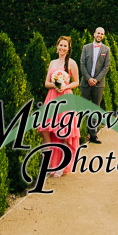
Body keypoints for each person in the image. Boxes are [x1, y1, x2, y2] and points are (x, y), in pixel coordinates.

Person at [38, 35, 80, 176]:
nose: (62, 48)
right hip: (51, 97)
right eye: (60, 45)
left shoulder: (72, 63)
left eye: (65, 46)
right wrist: (55, 85)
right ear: (57, 47)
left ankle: (63, 164)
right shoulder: (52, 63)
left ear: (68, 49)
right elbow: (46, 83)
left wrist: (64, 86)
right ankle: (50, 162)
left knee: (63, 132)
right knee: (46, 129)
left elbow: (77, 82)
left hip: (65, 98)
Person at [79, 26, 110, 143]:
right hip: (85, 83)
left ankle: (93, 134)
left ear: (103, 36)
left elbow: (106, 67)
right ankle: (79, 134)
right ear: (94, 34)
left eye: (102, 34)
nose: (100, 35)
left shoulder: (106, 50)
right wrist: (88, 79)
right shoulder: (86, 48)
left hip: (99, 84)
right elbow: (82, 64)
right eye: (98, 33)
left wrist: (96, 80)